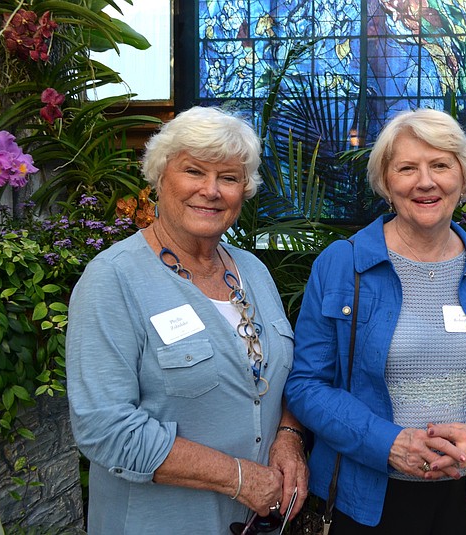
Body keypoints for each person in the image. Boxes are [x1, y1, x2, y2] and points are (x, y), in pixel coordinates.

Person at [66, 106, 308, 534]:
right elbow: (104, 428)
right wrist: (238, 477)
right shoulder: (113, 279)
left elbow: (282, 372)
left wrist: (289, 437)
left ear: (244, 190)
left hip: (254, 521)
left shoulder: (253, 270)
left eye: (229, 178)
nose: (211, 190)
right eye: (194, 171)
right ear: (160, 177)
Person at [284, 108, 466, 534]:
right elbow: (306, 385)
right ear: (386, 183)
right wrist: (388, 443)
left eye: (440, 165)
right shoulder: (344, 265)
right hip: (364, 498)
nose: (425, 182)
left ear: (463, 179)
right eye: (407, 168)